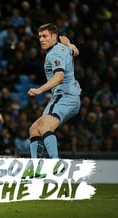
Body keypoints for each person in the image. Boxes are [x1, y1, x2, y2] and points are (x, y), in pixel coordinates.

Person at [27, 23, 81, 159]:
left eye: (45, 36)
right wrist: (69, 44)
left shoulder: (54, 54)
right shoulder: (63, 48)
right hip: (65, 97)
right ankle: (36, 169)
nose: (41, 39)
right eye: (39, 36)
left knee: (45, 127)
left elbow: (59, 77)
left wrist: (39, 90)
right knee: (34, 129)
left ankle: (55, 163)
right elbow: (76, 51)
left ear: (54, 37)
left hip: (65, 96)